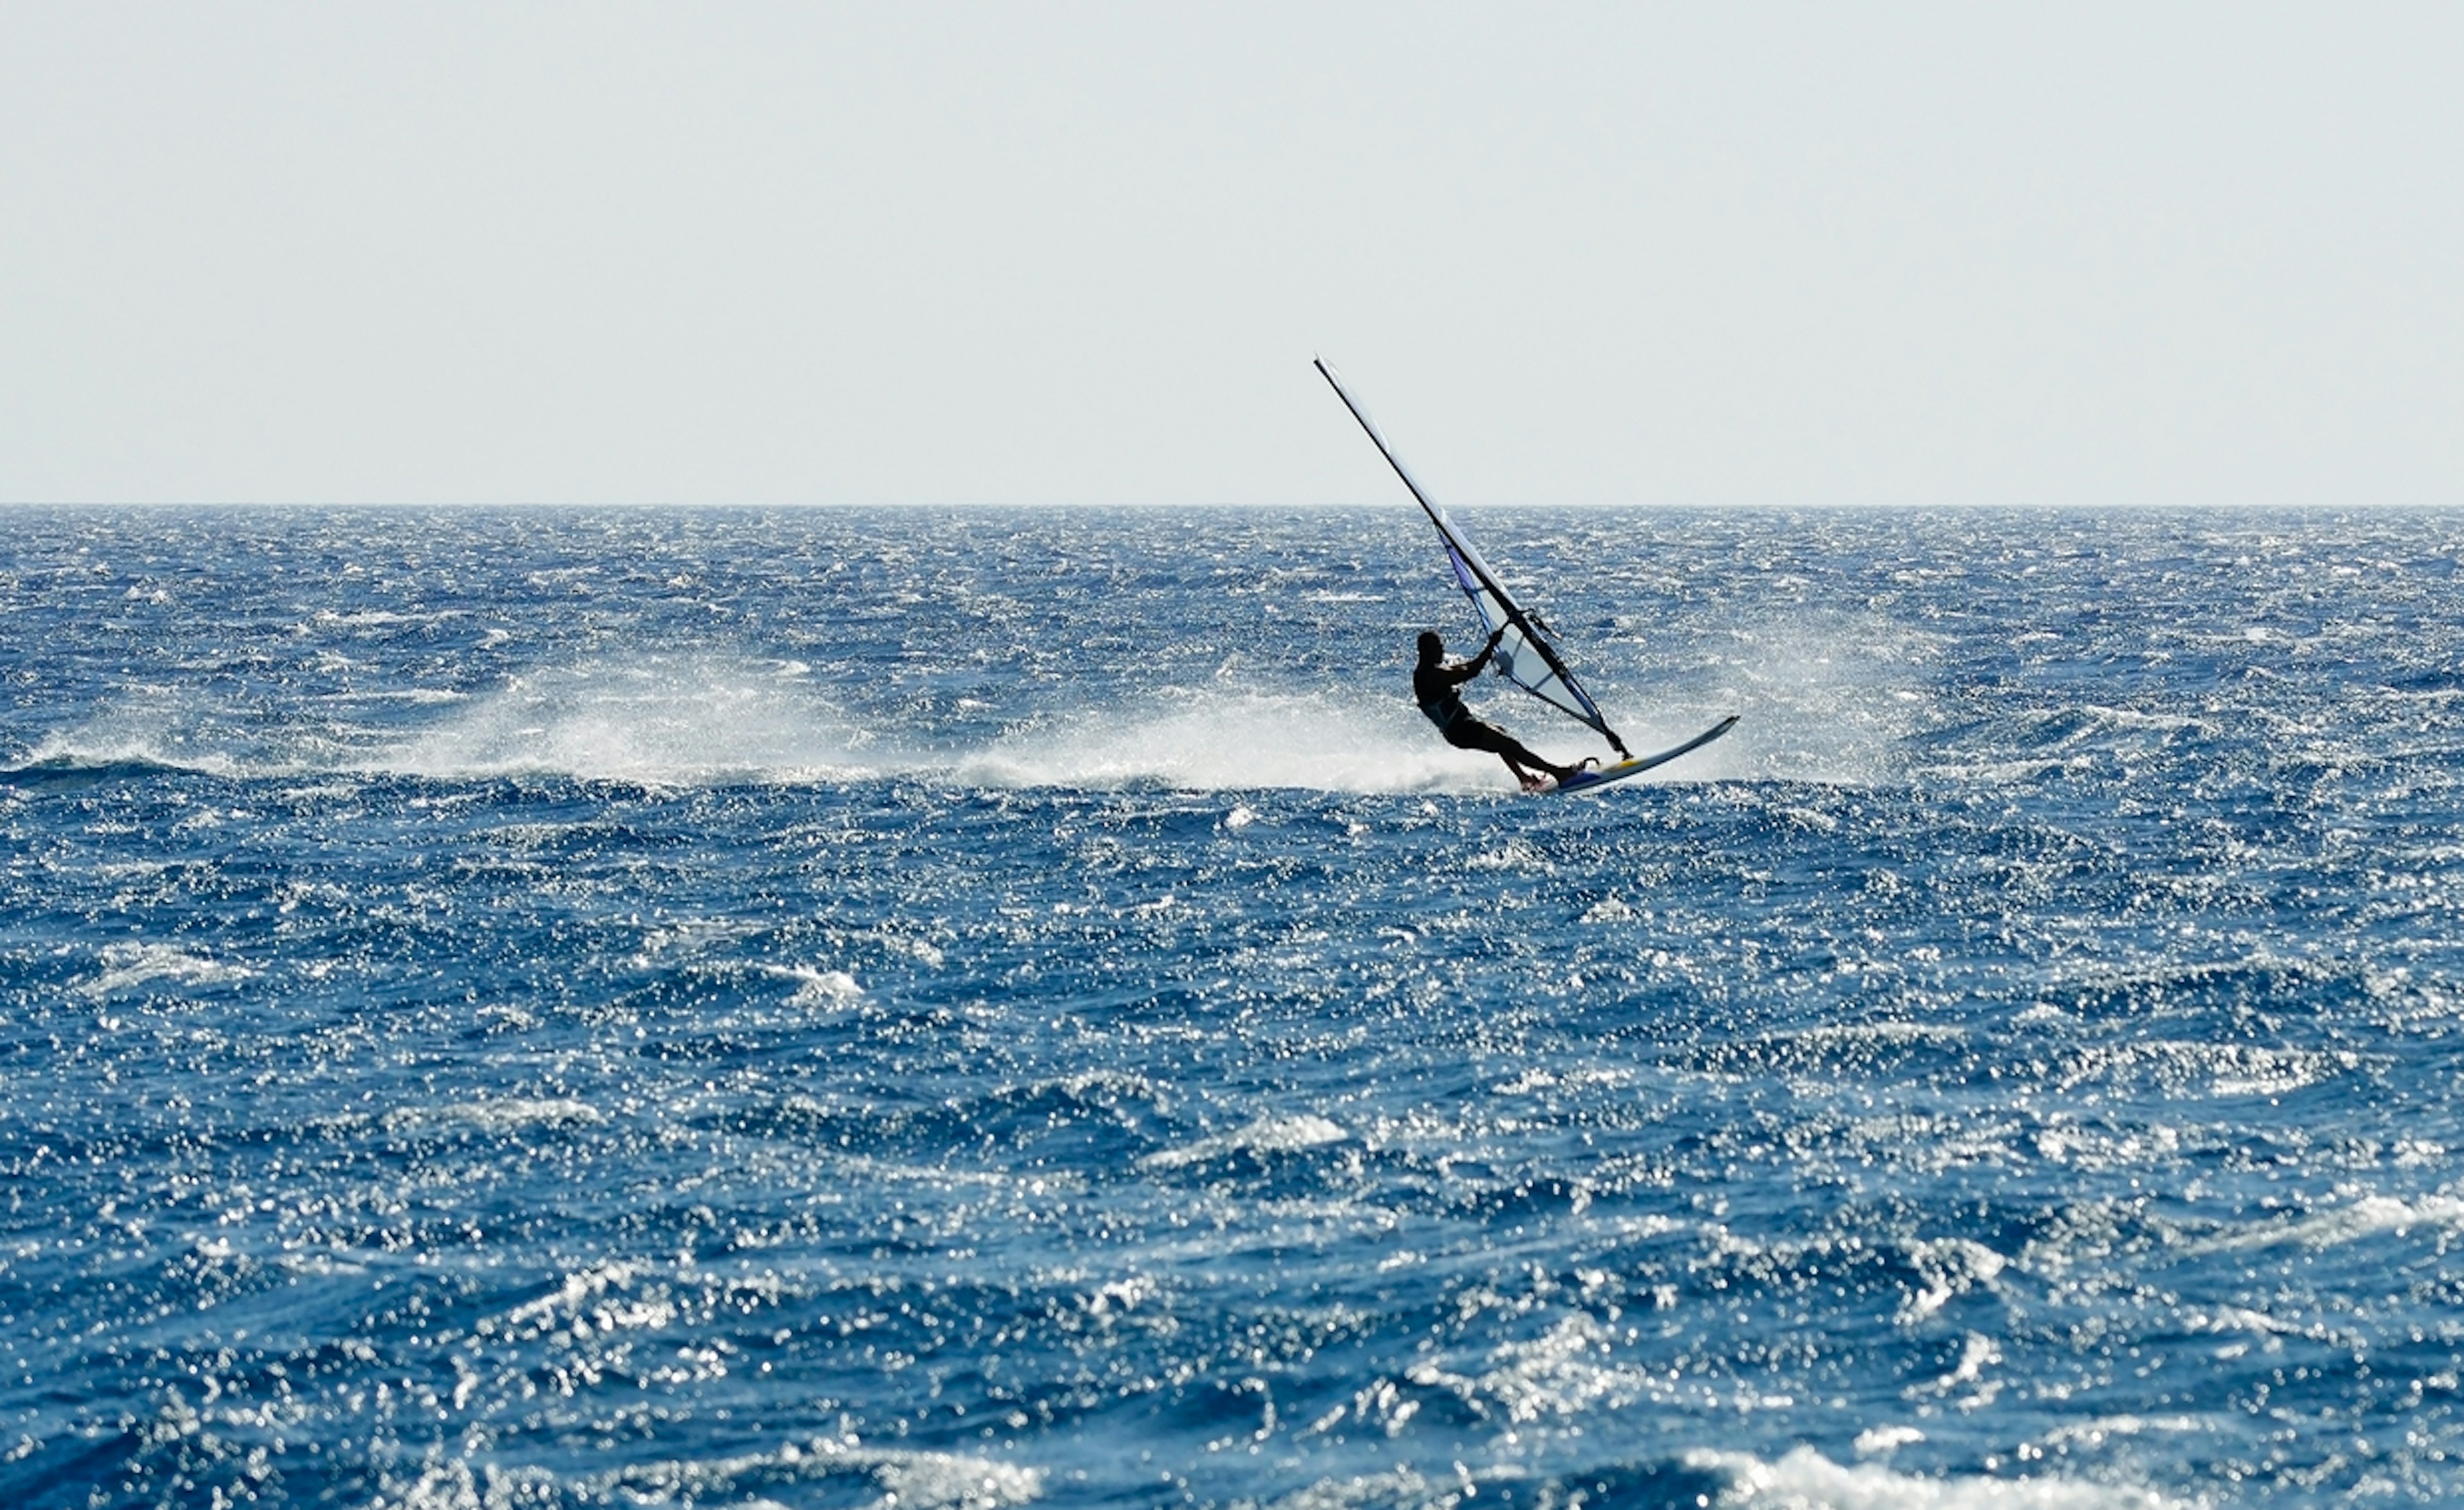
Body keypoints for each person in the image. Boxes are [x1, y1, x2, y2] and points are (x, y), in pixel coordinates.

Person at [1414, 628, 1591, 790]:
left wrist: (1488, 651)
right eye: (1438, 647)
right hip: (1462, 730)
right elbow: (1470, 672)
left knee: (1500, 734)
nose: (1442, 651)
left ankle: (1524, 778)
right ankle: (1561, 774)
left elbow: (1465, 667)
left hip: (1461, 729)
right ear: (1426, 651)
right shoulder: (1431, 676)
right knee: (1510, 745)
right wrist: (1491, 645)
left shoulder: (1430, 670)